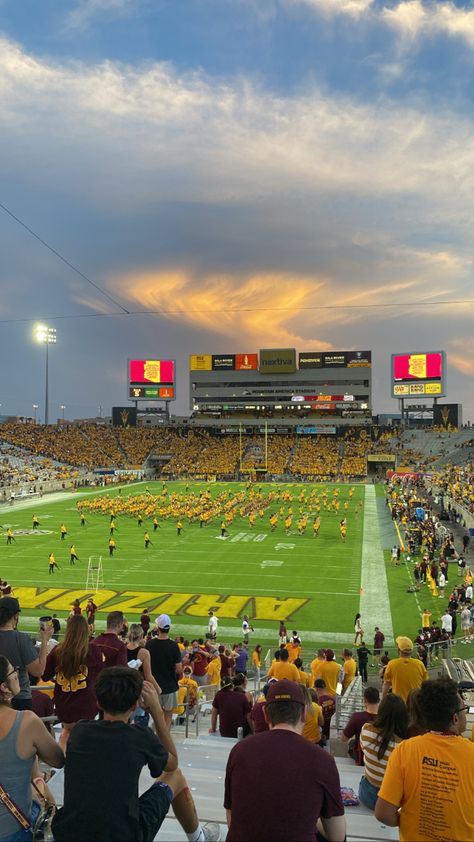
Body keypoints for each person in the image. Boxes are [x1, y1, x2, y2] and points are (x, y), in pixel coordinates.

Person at [51, 667, 220, 842]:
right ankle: (199, 838)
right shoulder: (140, 736)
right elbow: (173, 763)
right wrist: (157, 711)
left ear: (98, 703)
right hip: (125, 834)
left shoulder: (80, 731)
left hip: (70, 832)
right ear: (134, 705)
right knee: (175, 776)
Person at [224, 679, 346, 841]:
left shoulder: (239, 750)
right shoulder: (323, 759)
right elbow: (337, 836)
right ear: (303, 714)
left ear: (266, 715)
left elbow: (232, 819)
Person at [375, 678, 474, 842]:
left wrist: (408, 822)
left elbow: (383, 813)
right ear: (455, 718)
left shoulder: (404, 750)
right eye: (464, 709)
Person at [0, 655, 65, 841]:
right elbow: (58, 760)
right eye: (14, 672)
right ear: (4, 687)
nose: (18, 675)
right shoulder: (27, 721)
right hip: (13, 829)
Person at [43, 614, 104, 749]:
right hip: (86, 706)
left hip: (64, 705)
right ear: (86, 630)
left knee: (68, 733)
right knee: (85, 741)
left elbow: (45, 675)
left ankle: (64, 763)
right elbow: (101, 677)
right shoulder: (93, 650)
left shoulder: (58, 650)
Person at [0, 596, 51, 711]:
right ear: (15, 616)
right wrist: (44, 641)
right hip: (20, 698)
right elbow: (38, 671)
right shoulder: (21, 639)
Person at [359, 693, 408, 810]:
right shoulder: (404, 746)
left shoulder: (366, 729)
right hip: (390, 803)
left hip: (366, 795)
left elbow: (363, 749)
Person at [146, 614, 182, 728]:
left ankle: (158, 737)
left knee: (157, 715)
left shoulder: (150, 644)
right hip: (170, 686)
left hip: (154, 686)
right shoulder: (174, 646)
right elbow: (179, 669)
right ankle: (164, 739)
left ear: (158, 627)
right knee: (168, 715)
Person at [341, 686, 380, 765]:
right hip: (379, 758)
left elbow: (343, 738)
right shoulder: (384, 718)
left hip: (362, 759)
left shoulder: (357, 717)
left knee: (352, 743)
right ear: (379, 700)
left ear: (364, 700)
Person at [382, 636, 428, 702]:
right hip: (415, 704)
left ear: (399, 650)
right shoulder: (419, 664)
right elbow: (425, 684)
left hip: (399, 704)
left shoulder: (392, 664)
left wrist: (383, 700)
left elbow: (386, 684)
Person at [126, 623, 162, 695]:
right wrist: (158, 689)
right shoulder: (144, 652)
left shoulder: (122, 648)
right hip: (137, 688)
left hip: (123, 686)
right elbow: (148, 676)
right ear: (141, 636)